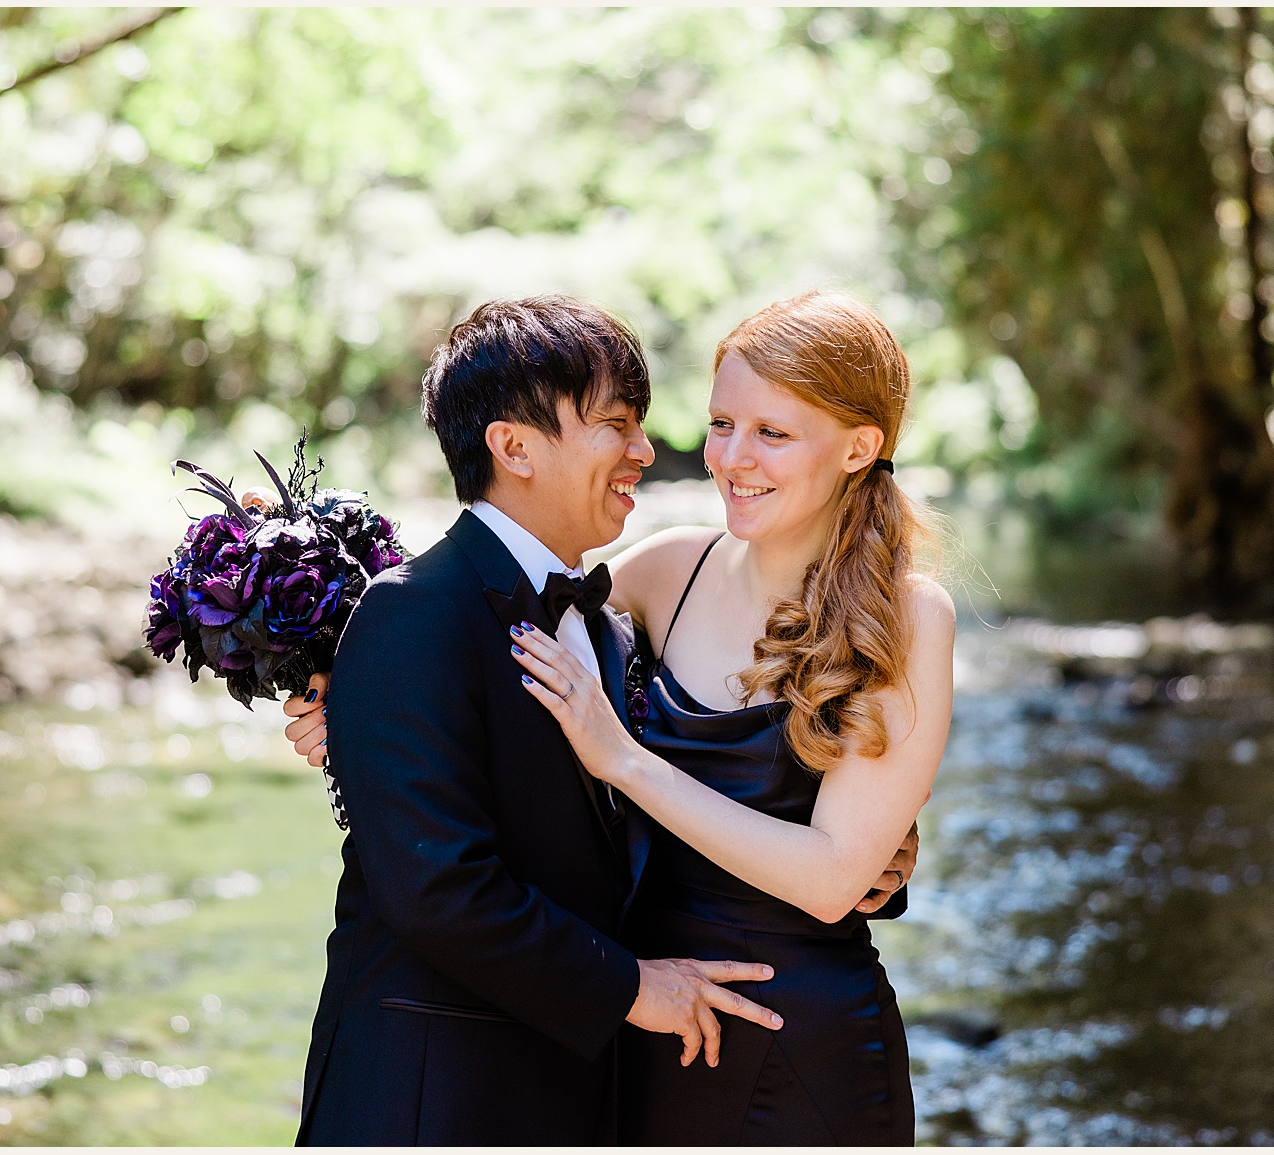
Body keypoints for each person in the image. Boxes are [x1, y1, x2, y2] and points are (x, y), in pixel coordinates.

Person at [286, 291, 945, 1143]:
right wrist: (345, 693)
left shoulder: (908, 614)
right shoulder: (661, 572)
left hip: (789, 1035)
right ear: (513, 447)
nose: (723, 457)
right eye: (719, 424)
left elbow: (829, 867)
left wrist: (628, 761)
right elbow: (463, 633)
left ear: (859, 447)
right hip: (627, 1033)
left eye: (771, 433)